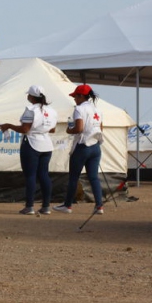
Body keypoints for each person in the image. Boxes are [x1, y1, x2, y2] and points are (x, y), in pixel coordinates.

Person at [0, 85, 58, 215]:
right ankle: (46, 207)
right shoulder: (52, 111)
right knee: (44, 175)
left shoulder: (30, 110)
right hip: (46, 145)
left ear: (31, 96)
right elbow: (52, 129)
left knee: (30, 175)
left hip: (31, 144)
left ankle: (29, 206)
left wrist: (8, 125)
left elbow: (25, 129)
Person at [54, 84, 105, 215]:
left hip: (82, 147)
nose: (74, 99)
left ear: (81, 96)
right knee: (94, 177)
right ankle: (99, 206)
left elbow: (79, 129)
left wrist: (69, 130)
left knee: (73, 177)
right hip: (95, 146)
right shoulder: (97, 110)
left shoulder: (79, 109)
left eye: (75, 96)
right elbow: (101, 128)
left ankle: (67, 205)